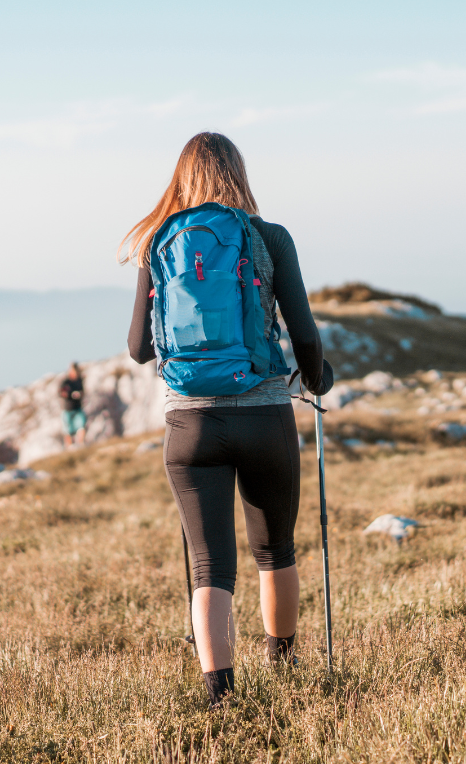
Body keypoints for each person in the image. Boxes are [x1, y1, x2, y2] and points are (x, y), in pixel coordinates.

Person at [120, 132, 331, 707]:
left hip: (190, 428)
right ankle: (284, 670)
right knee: (275, 550)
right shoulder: (269, 236)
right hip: (264, 416)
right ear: (239, 173)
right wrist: (316, 377)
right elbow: (303, 331)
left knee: (210, 565)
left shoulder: (157, 242)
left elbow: (138, 348)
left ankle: (221, 698)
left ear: (180, 176)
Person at [59, 362, 86, 447]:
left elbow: (82, 392)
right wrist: (71, 394)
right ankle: (69, 448)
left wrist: (79, 395)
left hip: (78, 408)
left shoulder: (79, 381)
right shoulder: (66, 382)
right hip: (67, 409)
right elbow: (61, 393)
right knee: (67, 431)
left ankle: (80, 444)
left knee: (82, 426)